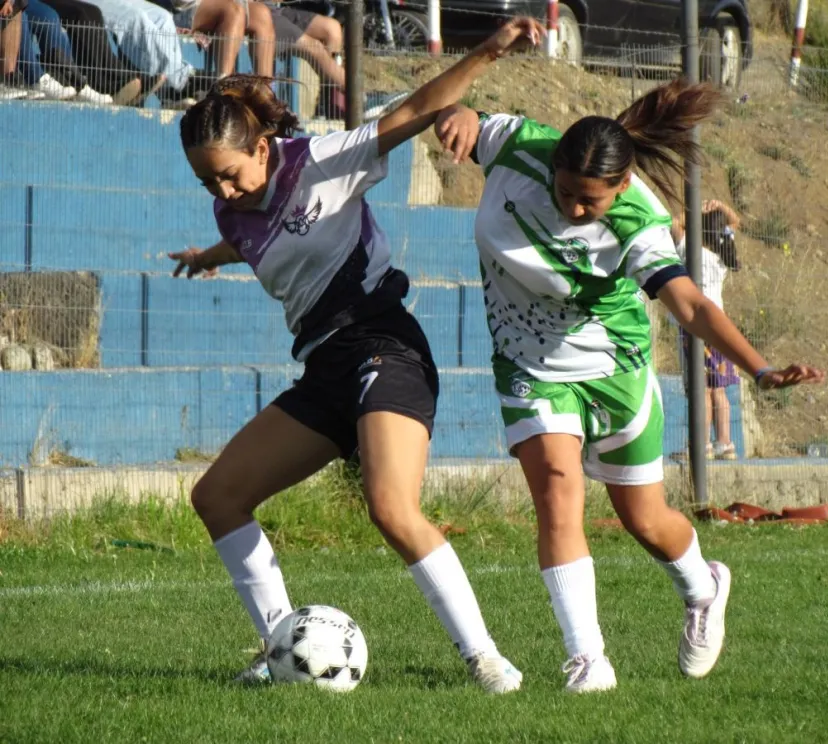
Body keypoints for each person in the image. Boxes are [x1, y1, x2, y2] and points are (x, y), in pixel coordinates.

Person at [167, 17, 546, 693]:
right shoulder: (232, 213)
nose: (222, 194)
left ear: (261, 147)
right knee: (218, 497)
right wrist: (208, 256)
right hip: (325, 366)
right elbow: (253, 237)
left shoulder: (323, 161)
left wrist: (488, 51)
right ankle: (281, 648)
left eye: (228, 176)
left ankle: (487, 660)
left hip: (384, 346)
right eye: (208, 186)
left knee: (389, 507)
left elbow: (414, 110)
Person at [430, 83, 825, 692]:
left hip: (615, 373)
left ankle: (704, 587)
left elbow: (689, 305)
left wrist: (761, 368)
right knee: (559, 495)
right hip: (530, 369)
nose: (575, 210)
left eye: (592, 202)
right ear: (554, 164)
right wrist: (456, 116)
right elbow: (469, 118)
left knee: (643, 519)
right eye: (566, 194)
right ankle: (588, 660)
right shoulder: (518, 146)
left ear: (622, 185)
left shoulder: (639, 219)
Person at [671, 199, 742, 460]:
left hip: (696, 327)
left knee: (700, 389)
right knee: (718, 388)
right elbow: (734, 221)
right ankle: (725, 443)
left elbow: (672, 223)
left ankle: (701, 446)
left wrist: (692, 212)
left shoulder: (691, 252)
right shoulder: (724, 256)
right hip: (720, 327)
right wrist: (721, 206)